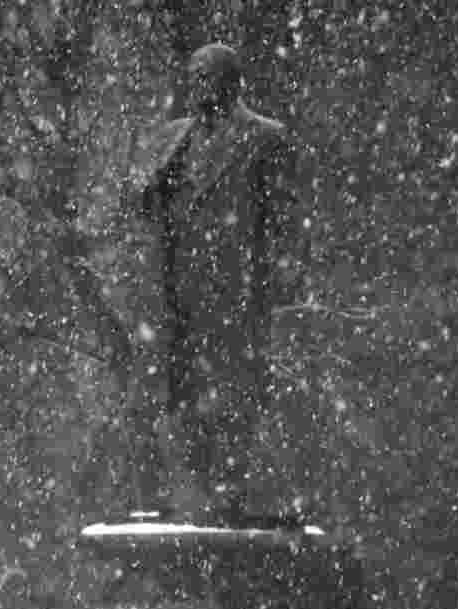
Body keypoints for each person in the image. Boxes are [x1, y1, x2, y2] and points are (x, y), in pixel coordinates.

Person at [137, 43, 301, 519]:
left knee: (236, 398)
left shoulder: (264, 137)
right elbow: (142, 207)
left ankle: (232, 493)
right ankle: (202, 494)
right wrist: (153, 185)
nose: (196, 86)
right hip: (180, 293)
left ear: (231, 81)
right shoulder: (174, 139)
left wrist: (274, 283)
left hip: (236, 292)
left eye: (204, 76)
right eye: (192, 76)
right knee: (183, 399)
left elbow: (282, 220)